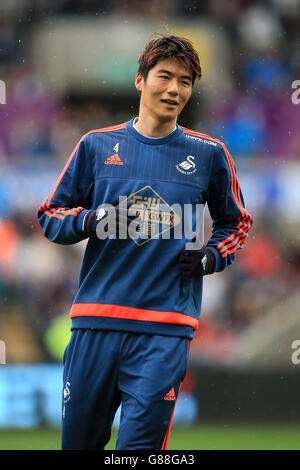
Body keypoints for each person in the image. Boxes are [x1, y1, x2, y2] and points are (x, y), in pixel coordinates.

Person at [38, 34, 252, 450]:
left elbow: (236, 224)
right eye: (165, 77)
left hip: (164, 331)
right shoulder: (96, 146)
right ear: (140, 80)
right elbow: (51, 217)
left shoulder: (209, 154)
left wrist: (210, 258)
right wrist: (91, 219)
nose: (175, 89)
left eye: (186, 81)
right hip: (95, 323)